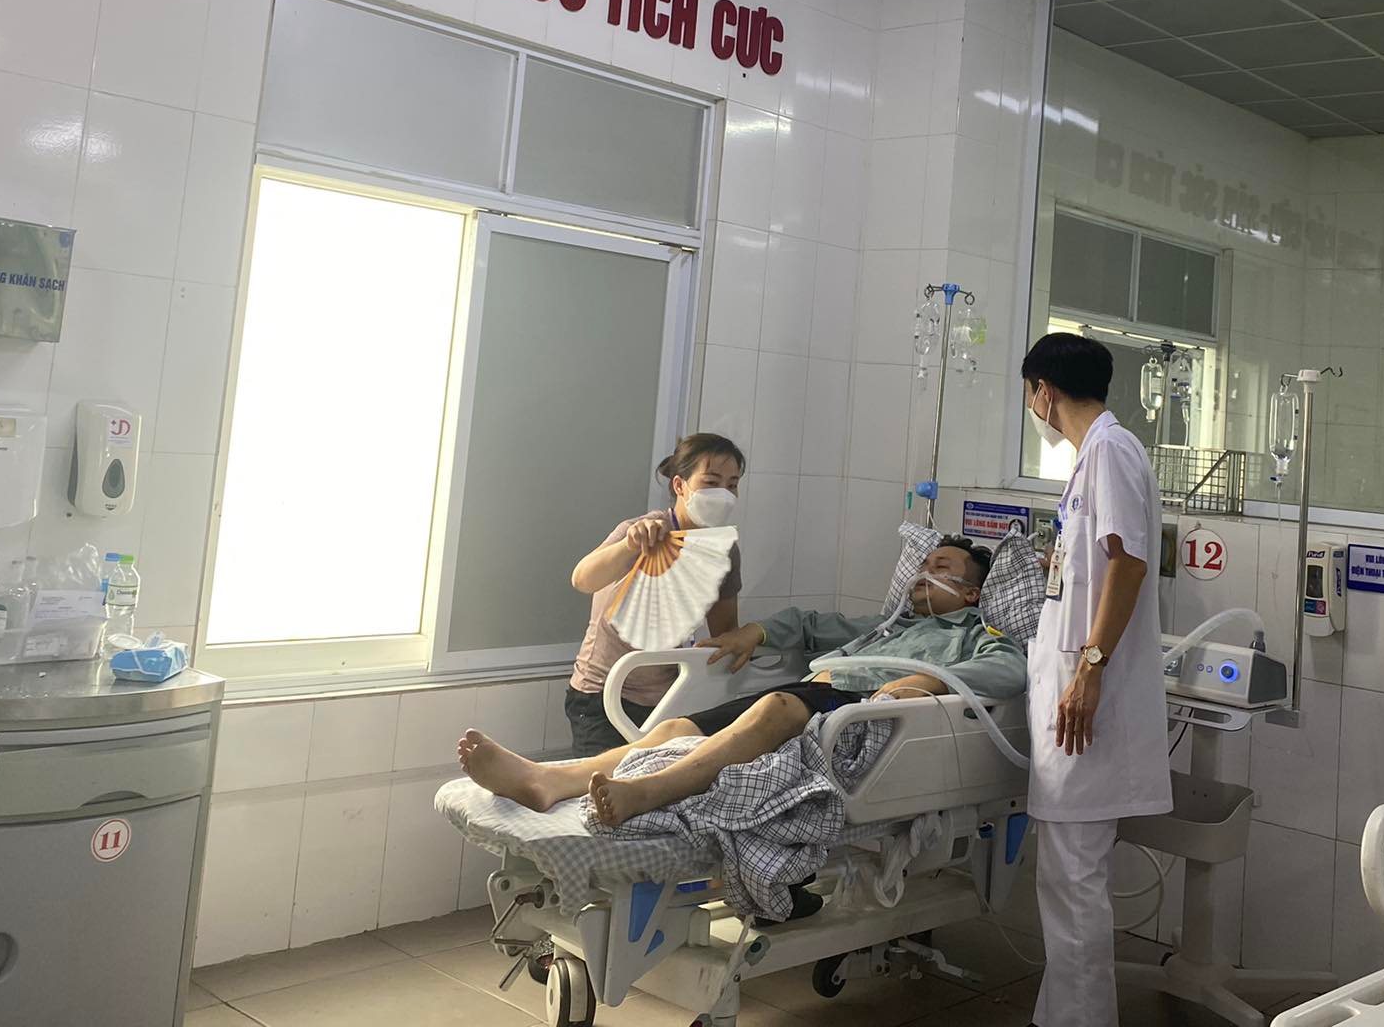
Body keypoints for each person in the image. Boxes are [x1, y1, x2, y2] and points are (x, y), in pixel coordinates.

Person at [459, 538, 1026, 824]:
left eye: (942, 568)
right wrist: (752, 632)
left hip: (863, 715)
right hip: (813, 696)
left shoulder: (975, 634)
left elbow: (1011, 669)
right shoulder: (881, 626)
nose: (925, 573)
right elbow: (807, 622)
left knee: (775, 706)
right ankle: (550, 780)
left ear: (971, 593)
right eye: (924, 564)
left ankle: (647, 792)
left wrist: (930, 681)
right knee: (675, 728)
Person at [1021, 332, 1168, 1027]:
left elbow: (1129, 563)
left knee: (1074, 882)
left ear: (1043, 391)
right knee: (1066, 880)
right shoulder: (1096, 456)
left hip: (1088, 704)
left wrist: (1090, 668)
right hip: (1075, 697)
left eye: (1030, 395)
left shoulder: (1110, 450)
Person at [564, 433, 746, 758]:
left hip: (667, 699)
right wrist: (629, 546)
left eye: (732, 485)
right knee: (598, 781)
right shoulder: (645, 532)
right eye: (711, 482)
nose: (724, 494)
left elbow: (725, 637)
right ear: (680, 485)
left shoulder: (723, 551)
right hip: (603, 694)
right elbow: (583, 579)